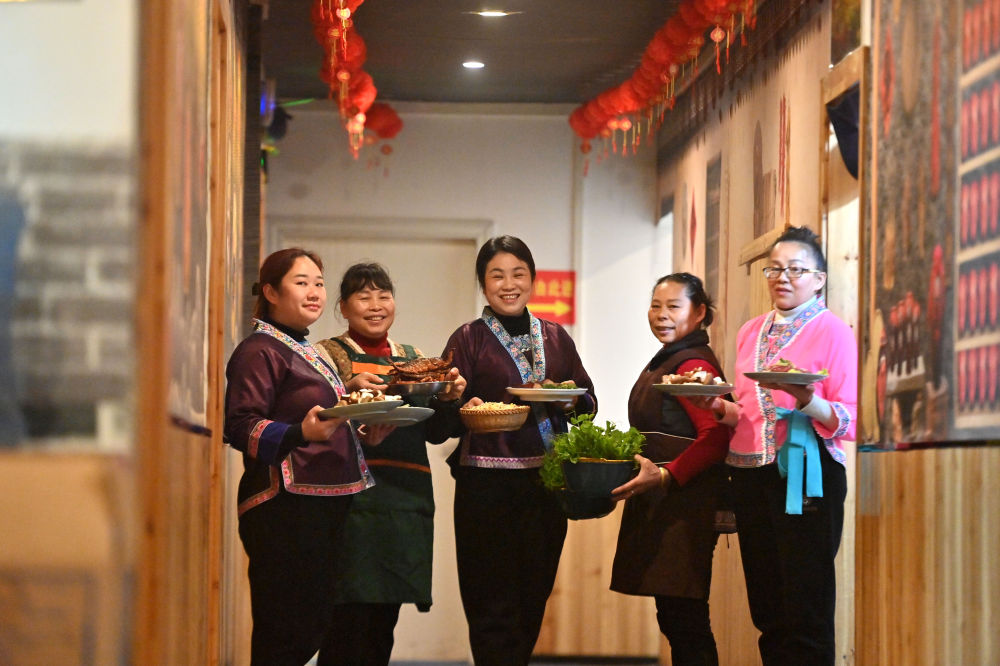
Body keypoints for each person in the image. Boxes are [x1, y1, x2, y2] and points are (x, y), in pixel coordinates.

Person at [223, 248, 391, 665]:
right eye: (302, 283)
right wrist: (300, 432)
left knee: (310, 627)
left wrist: (361, 419)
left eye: (318, 283)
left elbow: (318, 416)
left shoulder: (300, 347)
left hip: (322, 504)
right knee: (286, 634)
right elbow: (240, 425)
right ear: (270, 292)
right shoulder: (259, 349)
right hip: (284, 506)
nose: (315, 292)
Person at [437, 235, 597, 666]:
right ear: (483, 284)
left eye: (518, 274)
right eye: (497, 276)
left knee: (533, 596)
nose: (508, 285)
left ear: (532, 279)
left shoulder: (556, 336)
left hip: (547, 484)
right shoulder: (467, 338)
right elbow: (440, 423)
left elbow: (588, 402)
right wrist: (458, 403)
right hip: (485, 486)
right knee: (489, 602)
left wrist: (568, 400)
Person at [705, 226, 857, 665]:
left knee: (806, 604)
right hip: (750, 474)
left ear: (819, 279)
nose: (783, 277)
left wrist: (807, 400)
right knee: (768, 606)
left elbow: (851, 419)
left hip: (808, 472)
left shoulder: (834, 331)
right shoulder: (750, 331)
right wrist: (715, 406)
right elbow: (747, 412)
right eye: (774, 269)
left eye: (796, 269)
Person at [314, 262, 466, 666]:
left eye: (384, 295)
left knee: (384, 622)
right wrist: (345, 390)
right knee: (345, 618)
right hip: (350, 501)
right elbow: (313, 421)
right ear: (343, 306)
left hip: (405, 501)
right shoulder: (327, 356)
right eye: (363, 296)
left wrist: (448, 398)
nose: (376, 305)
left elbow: (437, 434)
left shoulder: (414, 359)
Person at [608, 273, 731, 666]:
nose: (661, 315)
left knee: (686, 621)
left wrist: (665, 475)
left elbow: (716, 437)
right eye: (656, 305)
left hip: (685, 504)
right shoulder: (671, 357)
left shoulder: (693, 364)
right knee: (677, 619)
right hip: (665, 502)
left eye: (674, 307)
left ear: (699, 313)